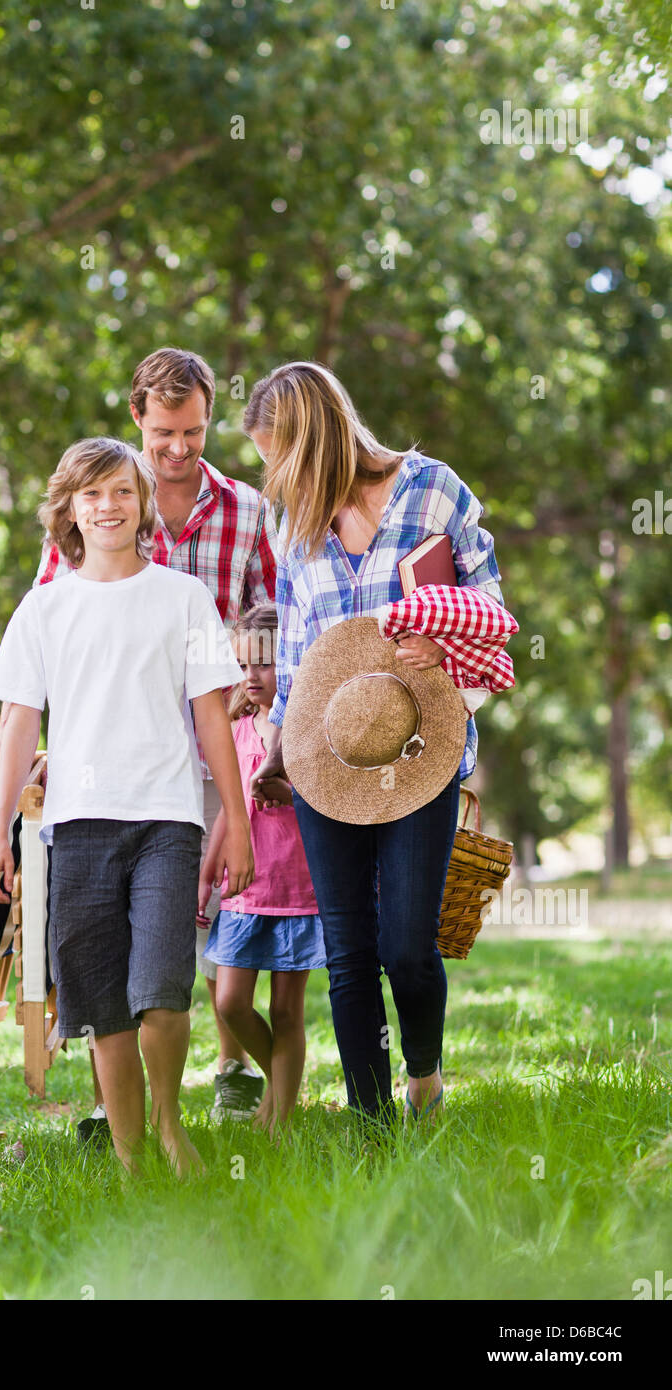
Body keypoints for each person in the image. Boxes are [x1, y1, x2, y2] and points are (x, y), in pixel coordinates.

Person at [0, 349, 277, 1134]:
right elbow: (49, 656)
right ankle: (114, 1112)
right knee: (103, 952)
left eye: (193, 431)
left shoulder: (245, 512)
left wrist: (255, 675)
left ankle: (219, 1074)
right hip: (100, 769)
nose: (179, 447)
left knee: (190, 932)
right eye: (163, 433)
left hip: (206, 736)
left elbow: (270, 615)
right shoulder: (75, 554)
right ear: (138, 423)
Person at [243, 362, 508, 1133]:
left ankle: (421, 1076)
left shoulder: (433, 490)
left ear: (313, 438)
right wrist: (276, 750)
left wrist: (444, 635)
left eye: (278, 455)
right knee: (349, 953)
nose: (272, 475)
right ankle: (369, 1125)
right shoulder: (290, 520)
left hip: (421, 751)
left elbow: (491, 607)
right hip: (329, 761)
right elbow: (294, 648)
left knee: (408, 950)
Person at [198, 604, 326, 1139]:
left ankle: (280, 1119)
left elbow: (327, 801)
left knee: (286, 1010)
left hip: (297, 889)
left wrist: (289, 795)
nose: (251, 677)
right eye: (243, 665)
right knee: (229, 1002)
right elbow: (231, 810)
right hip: (245, 888)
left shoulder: (307, 728)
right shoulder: (236, 728)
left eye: (265, 665)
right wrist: (206, 876)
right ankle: (278, 1089)